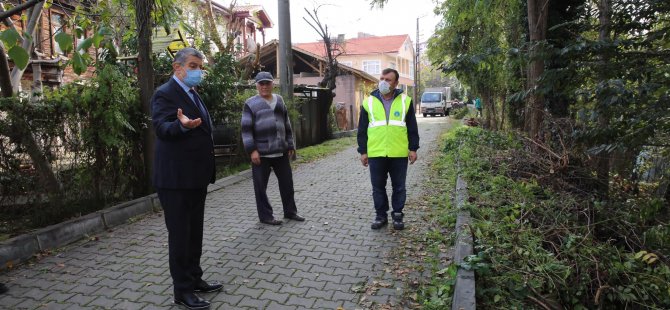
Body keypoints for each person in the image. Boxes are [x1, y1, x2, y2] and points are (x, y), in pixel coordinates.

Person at [151, 47, 222, 310]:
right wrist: (180, 125)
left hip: (195, 178)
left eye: (199, 66)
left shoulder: (192, 93)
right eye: (192, 66)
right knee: (180, 237)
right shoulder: (164, 93)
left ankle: (194, 278)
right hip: (175, 180)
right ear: (177, 67)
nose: (197, 71)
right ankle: (182, 291)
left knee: (194, 234)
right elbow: (161, 127)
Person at [357, 68, 420, 230]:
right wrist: (363, 151)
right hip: (376, 152)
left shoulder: (405, 101)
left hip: (398, 153)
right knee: (378, 187)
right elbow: (362, 129)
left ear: (396, 83)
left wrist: (413, 148)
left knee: (399, 187)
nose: (384, 82)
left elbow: (412, 127)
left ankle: (398, 215)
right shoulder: (368, 101)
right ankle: (381, 216)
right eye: (382, 78)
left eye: (388, 79)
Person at [241, 71, 305, 225]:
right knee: (260, 188)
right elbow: (246, 130)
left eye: (267, 83)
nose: (264, 86)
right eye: (261, 83)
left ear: (272, 84)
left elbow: (287, 123)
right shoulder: (250, 104)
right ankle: (266, 216)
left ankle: (290, 212)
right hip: (261, 154)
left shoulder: (279, 100)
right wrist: (252, 150)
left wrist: (290, 144)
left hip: (281, 151)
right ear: (256, 85)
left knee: (287, 184)